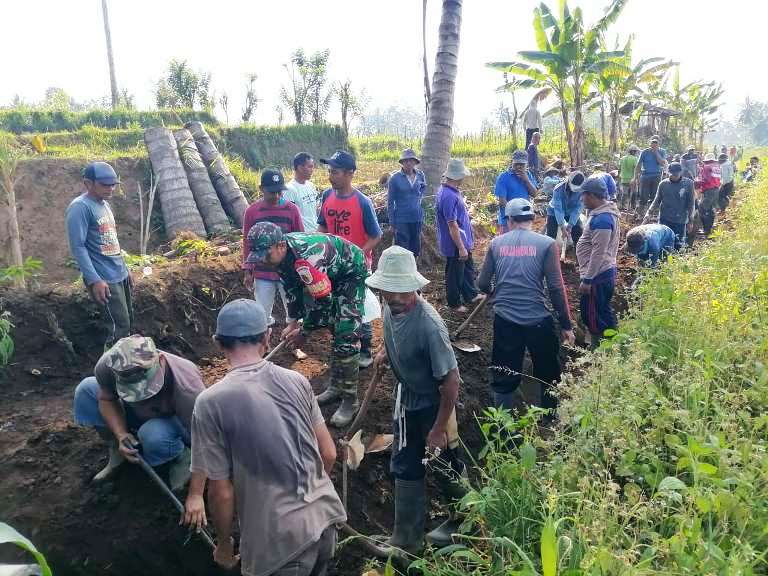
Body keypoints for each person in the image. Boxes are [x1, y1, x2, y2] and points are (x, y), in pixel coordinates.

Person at [190, 299, 345, 575]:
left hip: (280, 546)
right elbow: (329, 453)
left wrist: (224, 544)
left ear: (218, 343)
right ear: (267, 336)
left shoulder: (210, 403)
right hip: (325, 523)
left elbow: (221, 492)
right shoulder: (297, 381)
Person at [366, 246, 467, 552]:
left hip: (434, 405)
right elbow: (393, 335)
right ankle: (407, 540)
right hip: (407, 399)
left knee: (444, 463)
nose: (395, 298)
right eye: (389, 291)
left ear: (415, 287)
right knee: (406, 464)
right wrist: (386, 353)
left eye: (402, 291)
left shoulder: (429, 325)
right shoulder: (390, 307)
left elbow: (451, 381)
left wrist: (437, 429)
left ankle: (465, 524)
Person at [73, 335, 206, 525]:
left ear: (160, 361)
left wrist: (195, 495)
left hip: (173, 421)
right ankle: (117, 452)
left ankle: (180, 455)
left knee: (152, 434)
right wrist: (120, 435)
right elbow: (106, 399)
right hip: (136, 412)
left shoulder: (187, 386)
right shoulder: (108, 364)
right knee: (86, 389)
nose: (140, 393)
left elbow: (204, 441)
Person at [245, 222, 368, 427]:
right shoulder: (281, 257)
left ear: (280, 246)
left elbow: (323, 301)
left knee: (346, 334)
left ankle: (350, 400)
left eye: (265, 256)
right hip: (329, 275)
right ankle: (336, 387)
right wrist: (293, 322)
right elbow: (292, 289)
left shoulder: (307, 258)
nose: (262, 262)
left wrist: (305, 331)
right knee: (334, 328)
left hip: (350, 274)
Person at [478, 198, 575, 412]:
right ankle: (550, 418)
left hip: (505, 320)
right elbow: (556, 288)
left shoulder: (496, 244)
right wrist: (566, 325)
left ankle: (502, 425)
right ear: (532, 219)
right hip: (538, 320)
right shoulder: (547, 244)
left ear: (510, 219)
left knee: (504, 372)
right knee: (548, 370)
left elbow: (483, 283)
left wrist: (492, 290)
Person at [317, 150, 382, 368]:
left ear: (349, 173)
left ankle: (365, 349)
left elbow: (376, 235)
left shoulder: (362, 202)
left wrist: (358, 254)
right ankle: (342, 347)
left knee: (358, 309)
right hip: (332, 265)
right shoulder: (327, 196)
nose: (330, 175)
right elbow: (322, 226)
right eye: (329, 171)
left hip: (356, 267)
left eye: (334, 172)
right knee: (334, 307)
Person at [65, 161, 132, 348]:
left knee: (126, 324)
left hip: (118, 273)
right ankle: (108, 374)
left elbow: (111, 241)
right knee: (117, 328)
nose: (110, 189)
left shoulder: (104, 205)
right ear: (88, 183)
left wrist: (125, 269)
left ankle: (126, 371)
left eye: (113, 185)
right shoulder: (80, 208)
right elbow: (78, 247)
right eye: (105, 185)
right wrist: (94, 280)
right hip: (104, 277)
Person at [242, 168, 304, 332]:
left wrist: (300, 269)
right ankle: (263, 344)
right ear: (261, 189)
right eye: (272, 192)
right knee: (261, 314)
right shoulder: (252, 212)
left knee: (294, 312)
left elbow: (300, 241)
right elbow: (247, 243)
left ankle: (294, 342)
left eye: (279, 192)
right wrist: (248, 270)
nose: (276, 196)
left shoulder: (292, 210)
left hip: (288, 272)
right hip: (262, 272)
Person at [576, 177, 621, 344]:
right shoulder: (603, 214)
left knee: (593, 315)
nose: (581, 199)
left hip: (597, 275)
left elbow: (598, 253)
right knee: (601, 310)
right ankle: (611, 342)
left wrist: (587, 280)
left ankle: (601, 347)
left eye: (584, 195)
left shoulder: (602, 219)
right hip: (601, 272)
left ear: (592, 196)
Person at [436, 159, 482, 312]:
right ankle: (454, 303)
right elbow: (452, 224)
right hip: (455, 242)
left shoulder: (453, 191)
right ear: (458, 176)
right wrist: (461, 247)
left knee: (467, 268)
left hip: (462, 240)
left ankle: (471, 295)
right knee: (455, 273)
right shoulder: (448, 196)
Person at [642, 162, 695, 250]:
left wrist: (691, 220)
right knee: (664, 244)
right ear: (669, 172)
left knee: (679, 244)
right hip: (665, 219)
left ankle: (677, 262)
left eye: (677, 174)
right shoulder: (663, 184)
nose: (675, 176)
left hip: (680, 220)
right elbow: (656, 200)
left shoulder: (688, 184)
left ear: (680, 172)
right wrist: (649, 213)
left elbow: (691, 203)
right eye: (673, 174)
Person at [387, 148, 426, 257]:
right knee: (403, 248)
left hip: (417, 217)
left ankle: (414, 269)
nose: (408, 163)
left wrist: (417, 203)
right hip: (401, 219)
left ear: (415, 162)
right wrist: (392, 221)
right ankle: (404, 271)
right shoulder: (395, 179)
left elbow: (423, 189)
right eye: (405, 160)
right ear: (402, 162)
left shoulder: (420, 175)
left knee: (415, 246)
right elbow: (390, 201)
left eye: (411, 160)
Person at [494, 150, 538, 233]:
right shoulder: (503, 177)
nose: (519, 167)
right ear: (512, 163)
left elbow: (534, 194)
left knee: (523, 245)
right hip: (509, 221)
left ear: (526, 164)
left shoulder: (528, 175)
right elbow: (502, 201)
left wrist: (526, 180)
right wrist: (514, 216)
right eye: (516, 164)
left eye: (522, 164)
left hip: (525, 220)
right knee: (508, 245)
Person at [545, 171, 586, 247]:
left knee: (578, 230)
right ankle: (550, 253)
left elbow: (577, 209)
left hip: (570, 212)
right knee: (551, 234)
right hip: (554, 211)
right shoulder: (558, 189)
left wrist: (570, 226)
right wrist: (562, 228)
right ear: (568, 181)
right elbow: (558, 209)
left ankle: (578, 254)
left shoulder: (582, 191)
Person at [284, 152, 320, 233]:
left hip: (317, 232)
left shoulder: (311, 186)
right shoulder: (289, 189)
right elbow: (289, 216)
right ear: (300, 168)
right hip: (303, 236)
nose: (312, 170)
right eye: (310, 167)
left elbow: (317, 210)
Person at [634, 136, 667, 213]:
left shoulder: (662, 151)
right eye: (653, 142)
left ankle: (653, 213)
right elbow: (638, 165)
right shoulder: (644, 152)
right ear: (650, 143)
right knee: (643, 196)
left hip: (657, 176)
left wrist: (655, 152)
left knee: (655, 196)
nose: (654, 144)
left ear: (659, 144)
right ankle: (640, 213)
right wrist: (634, 178)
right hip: (645, 176)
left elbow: (662, 163)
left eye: (656, 143)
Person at [696, 153, 721, 235]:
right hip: (716, 189)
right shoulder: (716, 167)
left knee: (702, 209)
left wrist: (697, 182)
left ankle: (706, 229)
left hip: (709, 190)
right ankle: (709, 228)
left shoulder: (706, 167)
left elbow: (706, 179)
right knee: (710, 209)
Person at [618, 145, 639, 210]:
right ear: (633, 152)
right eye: (635, 152)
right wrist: (637, 178)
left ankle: (622, 206)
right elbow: (636, 169)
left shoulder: (622, 159)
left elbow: (619, 169)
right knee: (634, 193)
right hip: (632, 179)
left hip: (624, 179)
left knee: (625, 193)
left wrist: (620, 178)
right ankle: (633, 206)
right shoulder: (635, 159)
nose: (636, 153)